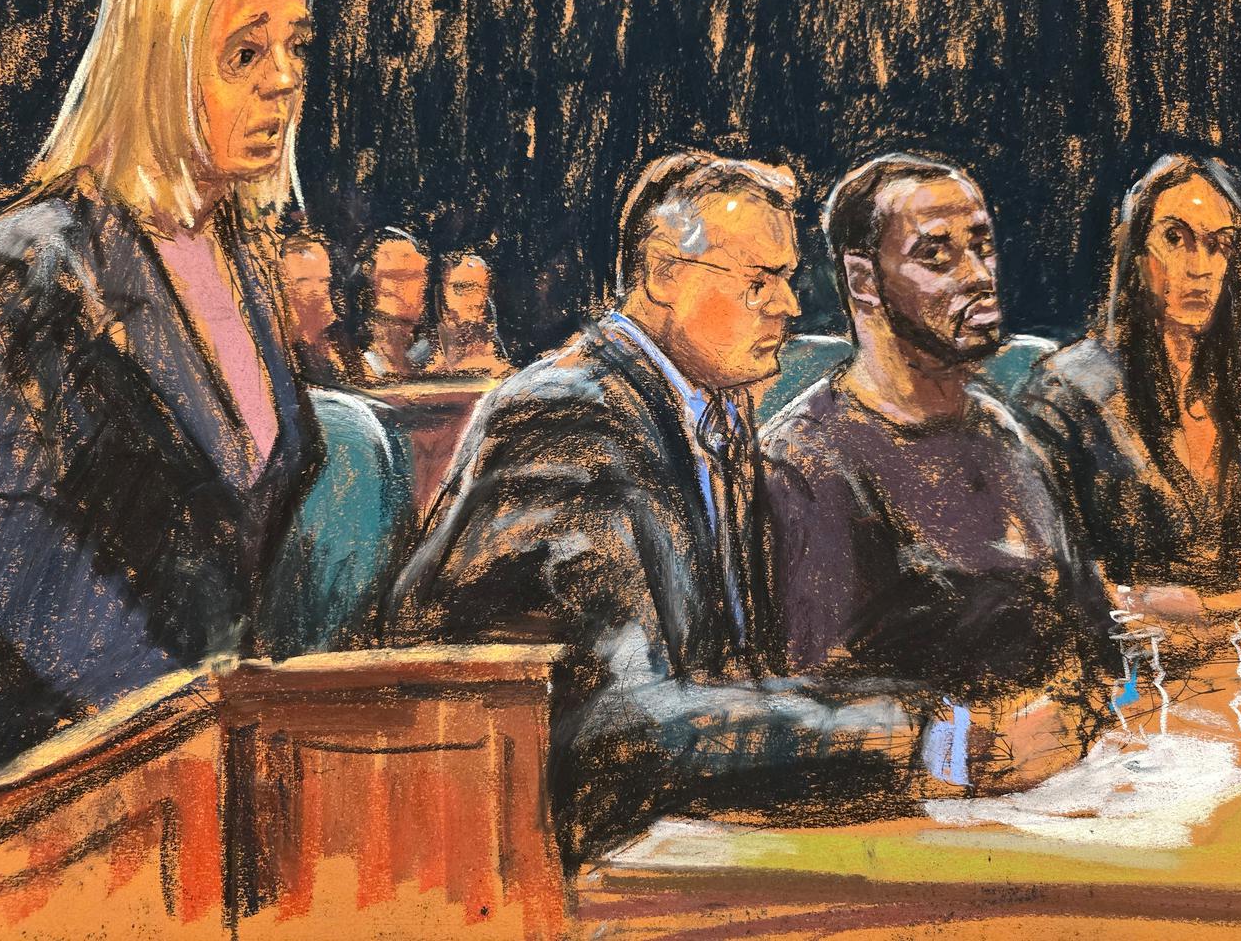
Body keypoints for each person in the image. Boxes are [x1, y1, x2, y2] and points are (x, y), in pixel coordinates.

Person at [389, 151, 990, 871]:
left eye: (787, 278)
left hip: (652, 838)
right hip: (520, 859)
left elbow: (728, 687)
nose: (789, 306)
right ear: (664, 275)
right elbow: (624, 729)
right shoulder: (567, 417)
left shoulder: (710, 413)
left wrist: (934, 721)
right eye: (758, 281)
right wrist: (934, 739)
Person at [0, 0, 323, 775]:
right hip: (51, 778)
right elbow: (15, 564)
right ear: (157, 65)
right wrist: (186, 726)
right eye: (245, 54)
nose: (284, 81)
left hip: (215, 762)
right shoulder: (19, 269)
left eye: (295, 48)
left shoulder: (246, 265)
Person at [762, 153, 1116, 716]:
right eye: (936, 254)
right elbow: (820, 708)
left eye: (982, 246)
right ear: (863, 281)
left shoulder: (1003, 433)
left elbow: (1092, 629)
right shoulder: (807, 460)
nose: (978, 274)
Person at [1019, 153, 1241, 666]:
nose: (1200, 267)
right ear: (1135, 252)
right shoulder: (1065, 396)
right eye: (1175, 238)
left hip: (1236, 673)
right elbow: (1072, 599)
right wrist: (1218, 613)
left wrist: (1184, 609)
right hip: (1118, 680)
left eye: (1220, 244)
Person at [357, 228, 433, 381]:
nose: (398, 288)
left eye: (411, 276)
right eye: (391, 276)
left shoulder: (433, 349)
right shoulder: (357, 354)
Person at [424, 253, 514, 378]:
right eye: (461, 288)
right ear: (441, 293)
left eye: (481, 290)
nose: (475, 302)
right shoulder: (421, 356)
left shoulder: (501, 363)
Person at [279, 230, 348, 385]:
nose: (318, 292)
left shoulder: (337, 339)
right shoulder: (281, 347)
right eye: (304, 282)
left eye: (323, 281)